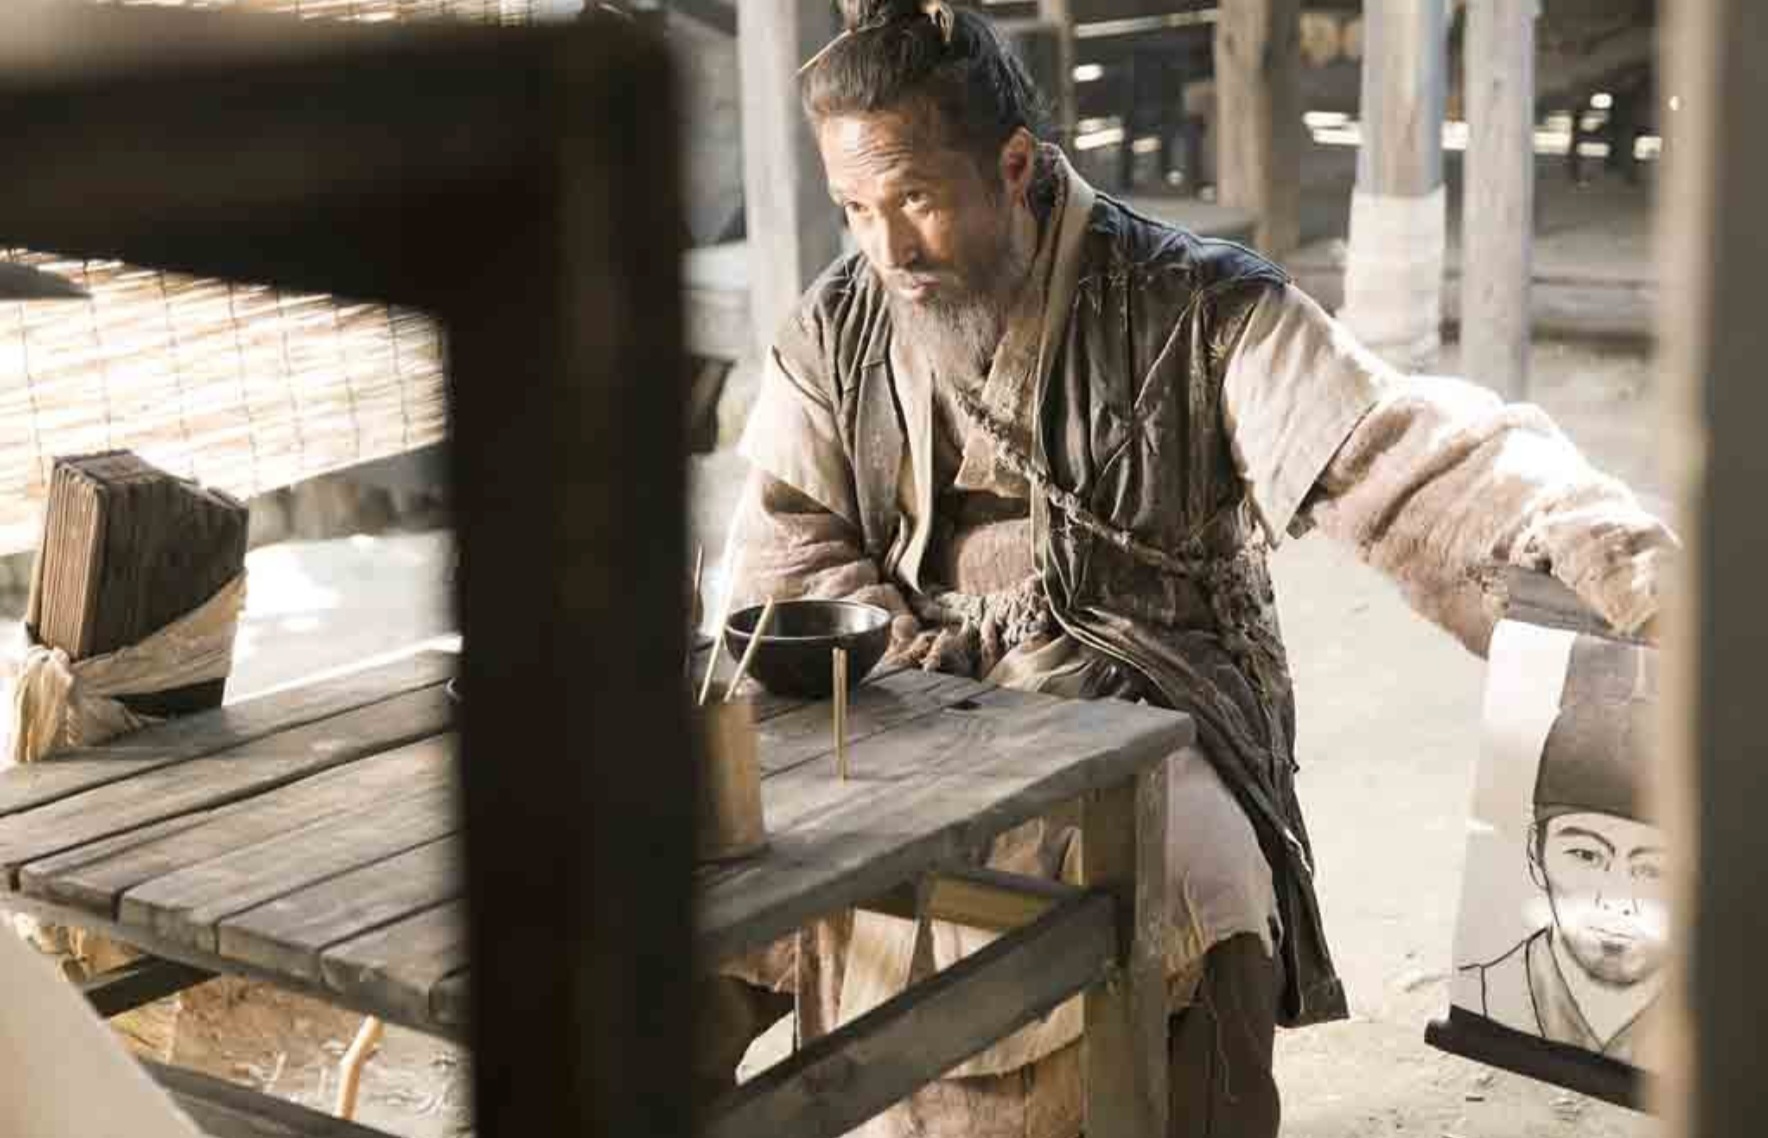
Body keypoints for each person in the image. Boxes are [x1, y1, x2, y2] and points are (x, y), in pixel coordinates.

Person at [702, 0, 1677, 1133]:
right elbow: (789, 550)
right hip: (897, 695)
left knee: (1203, 883)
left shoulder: (1196, 304)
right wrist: (909, 665)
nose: (888, 250)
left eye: (914, 198)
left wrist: (1596, 543)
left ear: (1014, 166)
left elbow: (1391, 452)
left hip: (1133, 692)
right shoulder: (836, 328)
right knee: (704, 882)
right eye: (855, 210)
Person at [1462, 640, 1666, 1066]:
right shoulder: (1484, 997)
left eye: (1652, 869)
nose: (1615, 900)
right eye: (1586, 856)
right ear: (1535, 854)